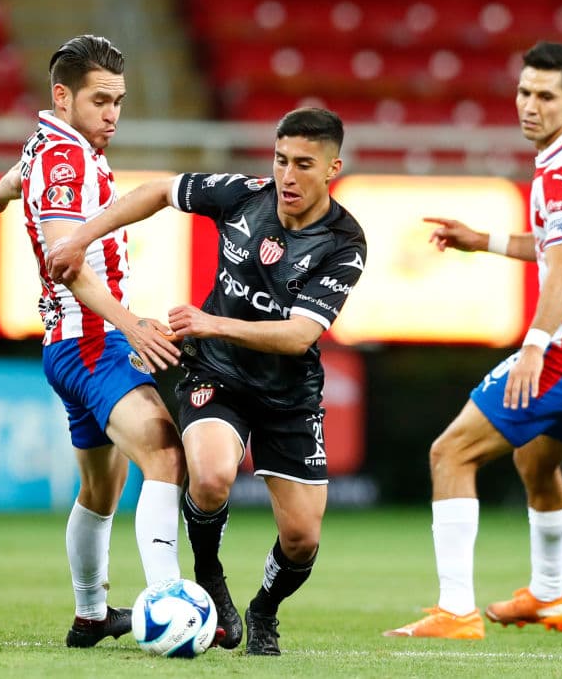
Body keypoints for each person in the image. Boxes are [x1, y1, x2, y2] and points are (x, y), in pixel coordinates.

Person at [45, 107, 367, 656]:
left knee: (302, 538)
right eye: (281, 159)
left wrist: (210, 321)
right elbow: (156, 192)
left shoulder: (344, 241)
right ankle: (208, 575)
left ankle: (263, 610)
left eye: (304, 165)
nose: (288, 176)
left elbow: (299, 335)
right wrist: (79, 238)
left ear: (332, 168)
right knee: (211, 475)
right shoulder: (243, 195)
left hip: (289, 395)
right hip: (216, 371)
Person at [384, 41, 562, 640]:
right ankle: (548, 596)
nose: (529, 105)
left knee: (450, 454)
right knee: (534, 462)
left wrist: (533, 347)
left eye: (545, 96)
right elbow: (555, 244)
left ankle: (455, 611)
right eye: (524, 92)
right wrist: (484, 240)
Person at [0, 35, 185, 648]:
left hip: (65, 344)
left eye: (120, 101)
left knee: (101, 488)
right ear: (64, 97)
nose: (113, 113)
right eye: (100, 100)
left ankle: (91, 615)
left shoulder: (52, 142)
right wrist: (130, 322)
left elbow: (20, 167)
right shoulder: (69, 160)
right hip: (92, 339)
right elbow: (66, 259)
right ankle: (172, 605)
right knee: (166, 454)